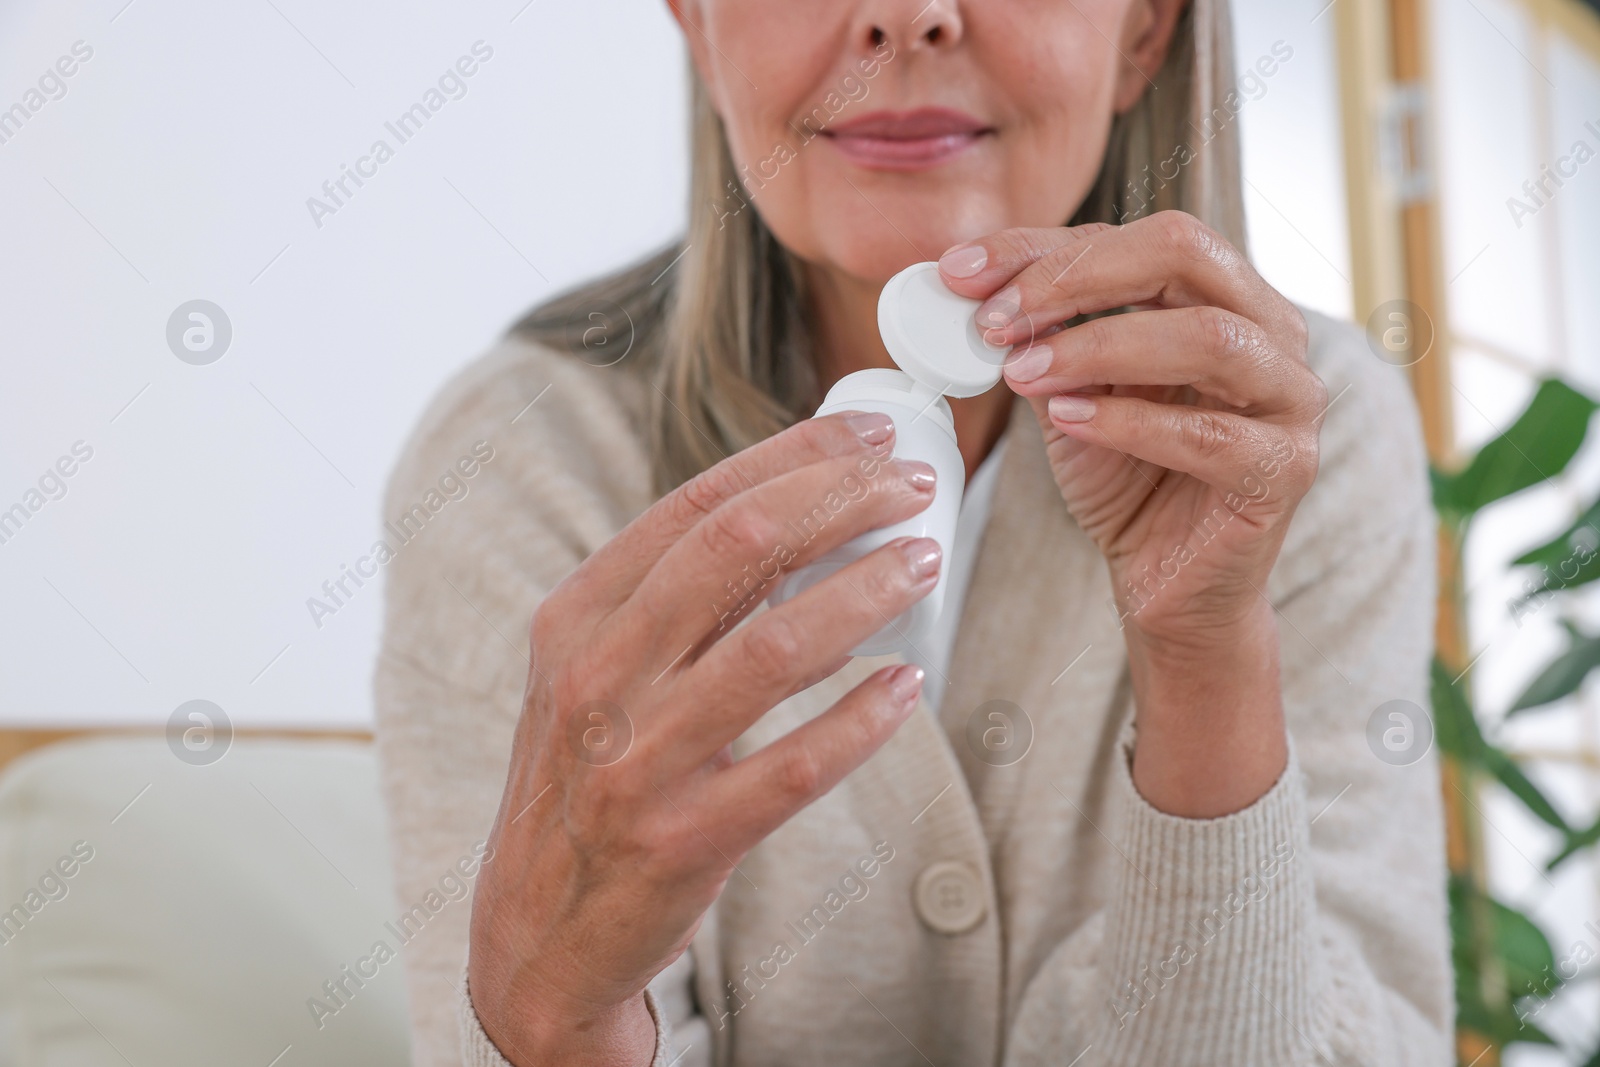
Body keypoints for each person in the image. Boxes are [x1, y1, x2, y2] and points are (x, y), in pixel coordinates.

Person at [374, 0, 1453, 1063]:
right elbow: (523, 1017)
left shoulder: (1301, 430)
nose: (904, 16)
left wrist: (1205, 659)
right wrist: (556, 1012)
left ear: (1144, 31)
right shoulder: (517, 455)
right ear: (696, 23)